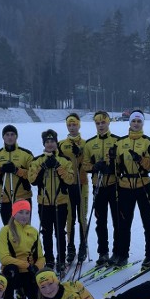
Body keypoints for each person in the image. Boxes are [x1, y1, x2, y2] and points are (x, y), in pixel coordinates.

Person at [113, 110, 150, 270]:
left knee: (148, 221)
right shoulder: (120, 143)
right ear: (130, 123)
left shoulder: (148, 142)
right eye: (134, 121)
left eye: (139, 122)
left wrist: (140, 159)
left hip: (143, 184)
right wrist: (112, 159)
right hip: (125, 185)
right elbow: (116, 167)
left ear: (142, 124)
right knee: (124, 222)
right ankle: (123, 254)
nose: (136, 124)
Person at [29, 129, 75, 275]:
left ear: (56, 142)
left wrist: (58, 167)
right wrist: (43, 168)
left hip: (60, 202)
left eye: (52, 141)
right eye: (47, 142)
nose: (50, 144)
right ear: (44, 143)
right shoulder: (37, 161)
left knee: (60, 232)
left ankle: (61, 259)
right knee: (46, 232)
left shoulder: (64, 160)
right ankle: (49, 259)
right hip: (44, 203)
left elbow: (70, 179)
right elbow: (33, 181)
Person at [82, 110, 121, 267]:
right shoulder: (90, 144)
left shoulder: (117, 141)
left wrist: (112, 168)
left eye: (103, 122)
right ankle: (103, 252)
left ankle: (118, 251)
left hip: (114, 186)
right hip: (98, 186)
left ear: (108, 122)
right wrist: (94, 167)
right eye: (98, 123)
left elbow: (122, 163)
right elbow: (85, 165)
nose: (100, 126)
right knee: (101, 221)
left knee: (117, 221)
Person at [0, 200, 45, 299]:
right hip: (14, 273)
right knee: (11, 269)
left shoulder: (33, 231)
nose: (24, 216)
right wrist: (27, 265)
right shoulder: (6, 231)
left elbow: (41, 257)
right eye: (21, 212)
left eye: (27, 213)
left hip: (29, 273)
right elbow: (4, 258)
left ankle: (23, 290)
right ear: (14, 213)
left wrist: (36, 267)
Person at [0, 125, 34, 224]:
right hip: (5, 199)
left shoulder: (26, 154)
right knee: (8, 230)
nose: (10, 137)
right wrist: (0, 170)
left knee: (24, 229)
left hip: (23, 198)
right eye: (7, 135)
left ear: (16, 136)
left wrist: (16, 170)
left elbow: (33, 176)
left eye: (12, 134)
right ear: (3, 137)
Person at [59, 113, 89, 266]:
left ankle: (83, 245)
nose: (72, 128)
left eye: (74, 125)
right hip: (68, 186)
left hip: (82, 184)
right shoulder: (61, 144)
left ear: (79, 125)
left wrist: (81, 154)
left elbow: (89, 162)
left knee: (82, 216)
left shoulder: (85, 143)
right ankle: (70, 246)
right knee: (69, 217)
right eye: (69, 125)